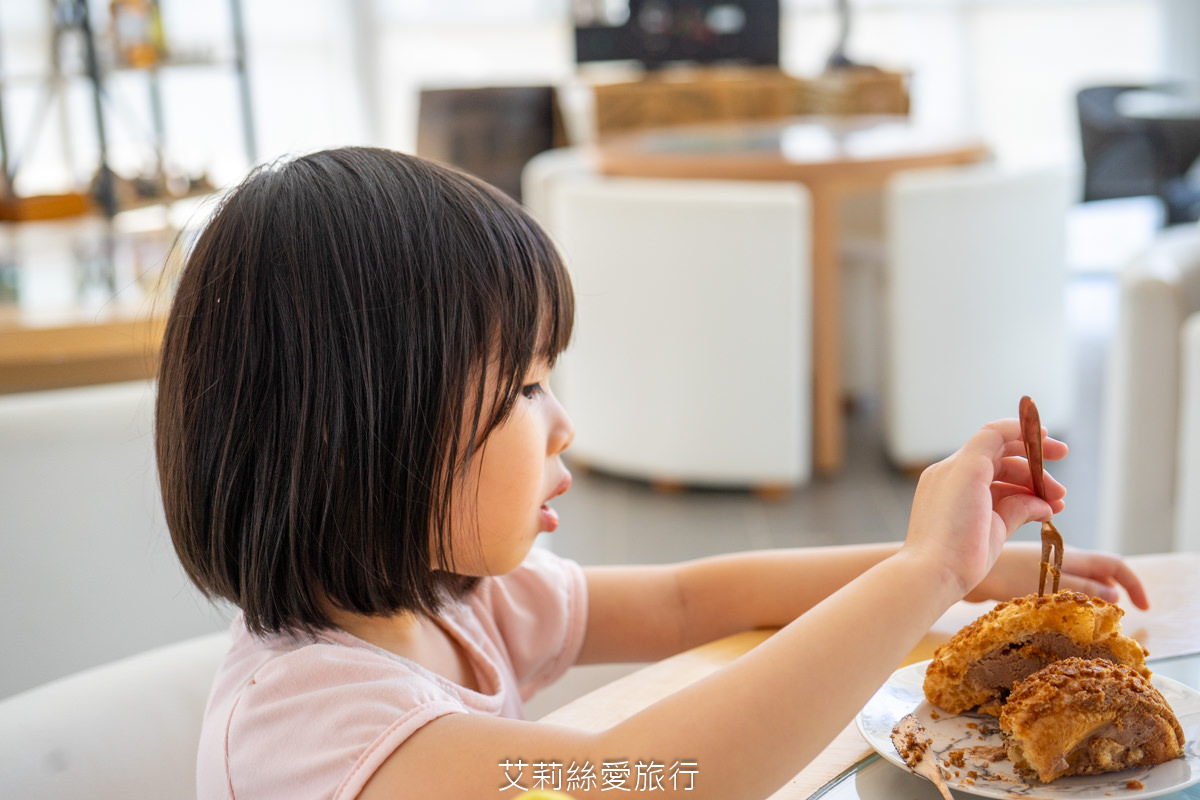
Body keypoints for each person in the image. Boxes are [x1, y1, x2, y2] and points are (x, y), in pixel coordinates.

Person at [156, 147, 1149, 800]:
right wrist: (920, 576)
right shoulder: (310, 726)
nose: (562, 425)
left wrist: (966, 565)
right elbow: (655, 780)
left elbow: (689, 598)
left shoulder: (456, 598)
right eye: (525, 389)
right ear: (360, 437)